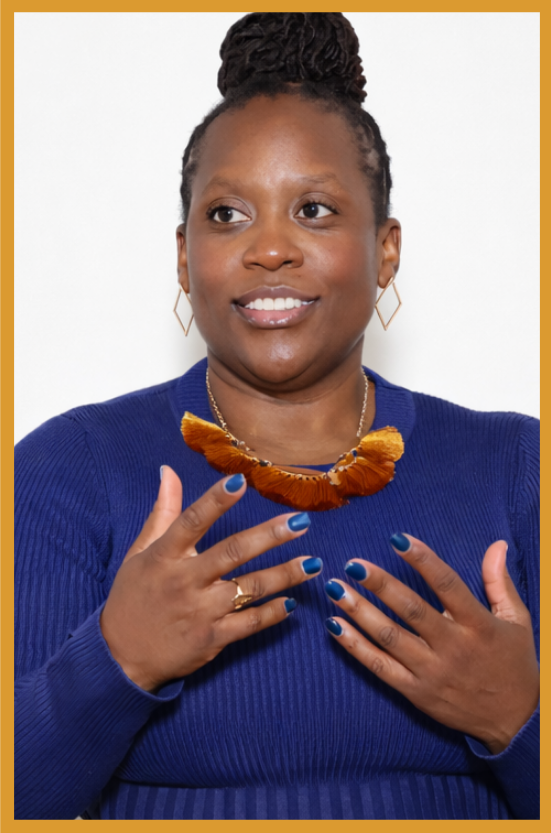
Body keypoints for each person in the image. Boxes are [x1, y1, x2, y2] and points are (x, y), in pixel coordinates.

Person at [15, 12, 539, 820]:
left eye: (314, 210)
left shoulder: (517, 467)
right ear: (183, 257)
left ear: (386, 250)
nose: (268, 249)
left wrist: (522, 722)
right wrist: (114, 662)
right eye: (227, 214)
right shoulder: (70, 468)